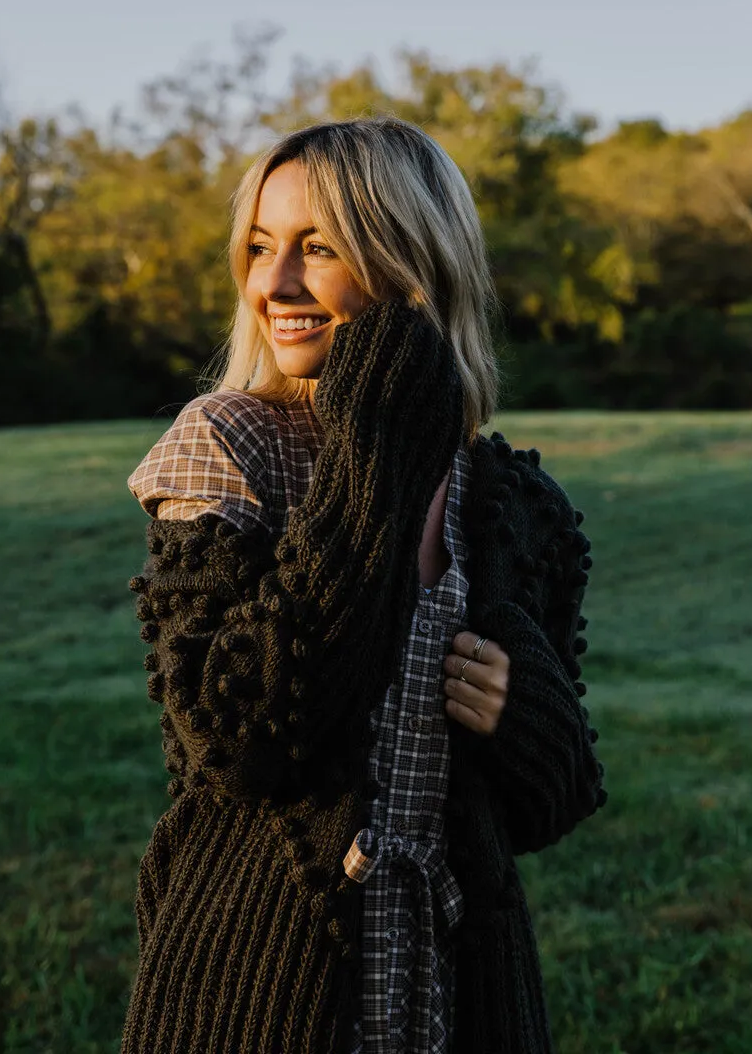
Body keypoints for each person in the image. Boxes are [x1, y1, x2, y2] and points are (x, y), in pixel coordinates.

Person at [121, 117, 608, 1054]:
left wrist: (524, 708)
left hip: (457, 980)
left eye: (318, 248)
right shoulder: (226, 447)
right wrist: (373, 451)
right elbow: (244, 740)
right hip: (253, 985)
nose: (273, 283)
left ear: (412, 259)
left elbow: (557, 804)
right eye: (260, 248)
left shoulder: (514, 504)